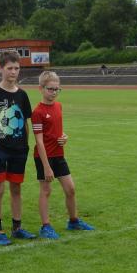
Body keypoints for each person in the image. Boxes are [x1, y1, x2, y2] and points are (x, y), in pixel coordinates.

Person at [32, 71, 95, 239]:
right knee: (46, 190)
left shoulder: (59, 106)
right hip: (43, 157)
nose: (53, 93)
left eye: (57, 89)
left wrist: (64, 136)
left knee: (71, 189)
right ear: (41, 88)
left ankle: (73, 221)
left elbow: (56, 131)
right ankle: (45, 226)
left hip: (59, 155)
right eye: (50, 89)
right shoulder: (37, 112)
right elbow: (39, 141)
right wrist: (46, 166)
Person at [0, 50, 36, 245]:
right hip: (0, 149)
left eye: (17, 68)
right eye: (10, 68)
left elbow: (26, 123)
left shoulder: (22, 95)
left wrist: (26, 145)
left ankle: (17, 228)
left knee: (16, 189)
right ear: (1, 69)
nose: (13, 72)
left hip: (19, 150)